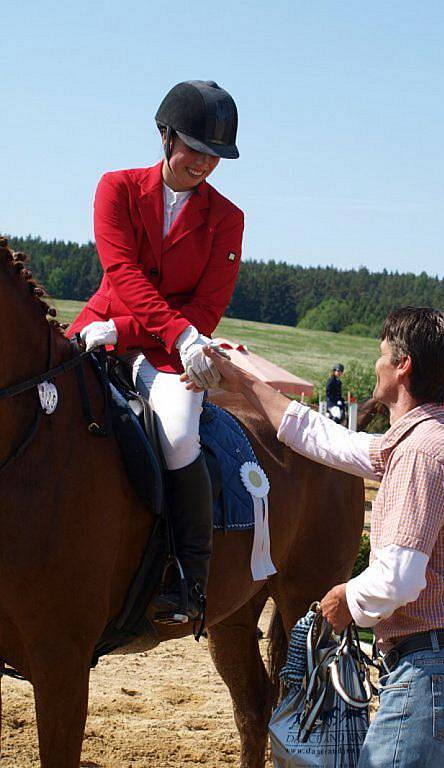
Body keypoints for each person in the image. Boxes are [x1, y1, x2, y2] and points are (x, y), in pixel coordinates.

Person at [191, 307, 444, 766]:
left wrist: (344, 599)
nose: (377, 363)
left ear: (402, 367)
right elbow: (323, 437)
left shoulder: (418, 455)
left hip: (436, 676)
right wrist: (242, 381)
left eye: (383, 354)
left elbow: (398, 580)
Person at [69, 80, 244, 625]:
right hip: (100, 330)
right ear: (165, 137)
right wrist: (135, 328)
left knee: (177, 434)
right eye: (195, 149)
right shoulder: (116, 188)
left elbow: (209, 305)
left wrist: (134, 332)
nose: (203, 164)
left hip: (167, 356)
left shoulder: (228, 219)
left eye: (215, 155)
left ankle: (190, 578)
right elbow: (121, 272)